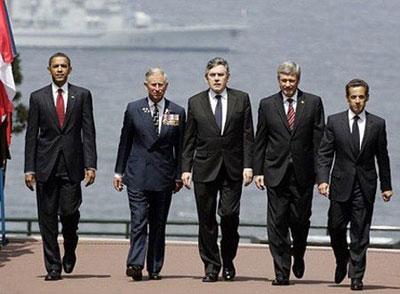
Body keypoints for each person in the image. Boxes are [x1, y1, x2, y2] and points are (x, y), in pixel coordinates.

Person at [24, 52, 97, 281]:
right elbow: (30, 136)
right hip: (45, 166)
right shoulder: (37, 97)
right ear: (49, 69)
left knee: (68, 213)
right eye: (55, 66)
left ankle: (70, 248)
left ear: (69, 69)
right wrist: (29, 168)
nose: (59, 70)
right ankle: (53, 267)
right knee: (46, 219)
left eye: (63, 66)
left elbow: (89, 132)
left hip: (72, 166)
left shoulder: (82, 95)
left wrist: (91, 165)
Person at [181, 57, 254, 282]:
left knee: (229, 216)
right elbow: (189, 138)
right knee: (206, 219)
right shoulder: (195, 102)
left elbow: (247, 135)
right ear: (206, 78)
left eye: (220, 75)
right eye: (213, 75)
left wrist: (249, 165)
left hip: (233, 168)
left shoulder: (241, 99)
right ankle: (211, 266)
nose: (216, 79)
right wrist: (186, 168)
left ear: (227, 77)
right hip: (204, 168)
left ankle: (228, 259)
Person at [317, 79, 393, 291]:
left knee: (360, 232)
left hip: (365, 185)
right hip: (340, 184)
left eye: (361, 97)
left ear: (367, 98)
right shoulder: (334, 122)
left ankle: (357, 276)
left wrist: (386, 186)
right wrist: (323, 180)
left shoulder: (377, 124)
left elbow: (382, 157)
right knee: (335, 227)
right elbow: (324, 153)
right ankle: (342, 259)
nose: (357, 101)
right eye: (354, 97)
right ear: (347, 98)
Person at [253, 61, 325, 285]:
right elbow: (260, 140)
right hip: (276, 172)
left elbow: (319, 143)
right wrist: (258, 171)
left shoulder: (313, 103)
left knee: (300, 220)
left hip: (303, 175)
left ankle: (299, 252)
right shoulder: (267, 104)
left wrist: (321, 176)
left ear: (298, 81)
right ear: (278, 80)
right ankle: (281, 272)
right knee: (277, 224)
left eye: (291, 81)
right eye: (283, 80)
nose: (287, 85)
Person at [113, 68, 186, 281]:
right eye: (153, 84)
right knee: (138, 220)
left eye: (160, 84)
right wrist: (119, 172)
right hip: (136, 174)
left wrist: (179, 175)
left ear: (166, 86)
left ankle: (154, 267)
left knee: (158, 223)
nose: (156, 88)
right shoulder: (134, 109)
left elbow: (180, 147)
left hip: (164, 176)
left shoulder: (177, 111)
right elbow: (124, 142)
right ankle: (135, 263)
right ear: (146, 85)